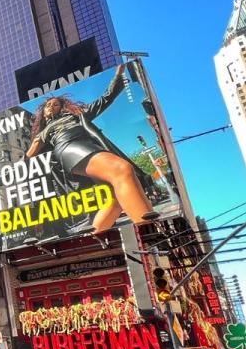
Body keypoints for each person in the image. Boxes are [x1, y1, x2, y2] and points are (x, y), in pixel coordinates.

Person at [24, 64, 159, 234]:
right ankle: (150, 233)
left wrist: (118, 77)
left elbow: (105, 99)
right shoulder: (44, 132)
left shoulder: (78, 114)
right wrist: (1, 178)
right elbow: (28, 157)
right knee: (121, 169)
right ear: (43, 113)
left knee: (114, 200)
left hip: (88, 145)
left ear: (63, 106)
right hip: (68, 147)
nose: (51, 106)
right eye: (48, 105)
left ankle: (95, 237)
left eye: (56, 104)